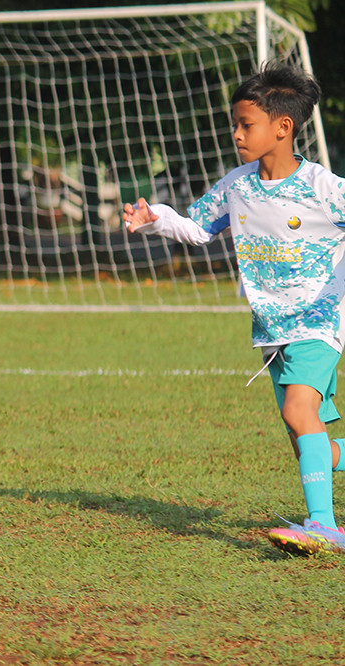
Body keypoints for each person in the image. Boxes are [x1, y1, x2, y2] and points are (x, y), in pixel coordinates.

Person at [123, 63, 345, 556]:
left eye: (247, 124)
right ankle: (325, 495)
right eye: (235, 124)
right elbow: (198, 228)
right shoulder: (238, 186)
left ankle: (325, 527)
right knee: (308, 441)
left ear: (282, 127)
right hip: (271, 329)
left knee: (298, 410)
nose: (237, 134)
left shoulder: (322, 187)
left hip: (320, 320)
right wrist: (155, 218)